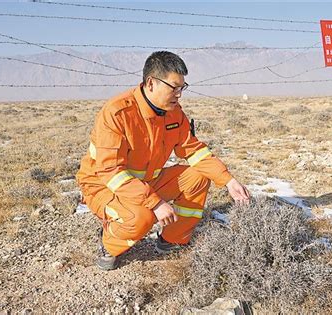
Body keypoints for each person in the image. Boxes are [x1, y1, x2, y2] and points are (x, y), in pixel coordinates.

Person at [76, 51, 250, 271]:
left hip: (145, 183)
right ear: (151, 83)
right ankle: (109, 243)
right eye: (173, 88)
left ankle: (172, 240)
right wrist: (155, 202)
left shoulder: (173, 112)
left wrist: (228, 181)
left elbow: (194, 150)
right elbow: (110, 171)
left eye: (182, 88)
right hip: (104, 186)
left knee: (198, 177)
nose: (179, 95)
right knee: (142, 216)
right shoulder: (118, 113)